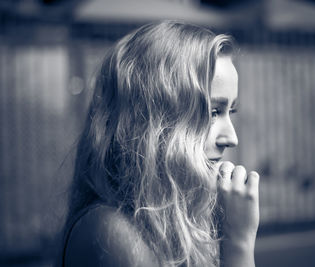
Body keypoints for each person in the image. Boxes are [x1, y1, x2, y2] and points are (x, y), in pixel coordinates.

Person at [58, 20, 259, 267]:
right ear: (155, 117)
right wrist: (238, 243)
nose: (231, 138)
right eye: (212, 112)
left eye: (232, 111)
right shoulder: (112, 233)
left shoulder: (179, 220)